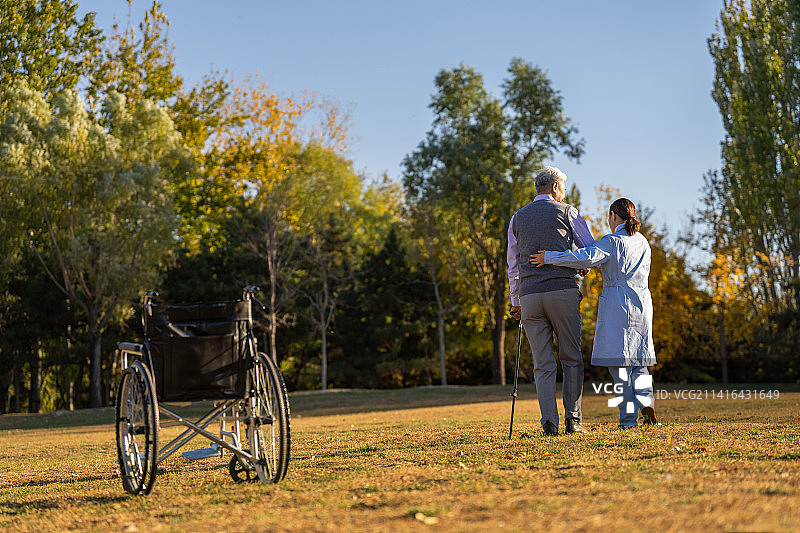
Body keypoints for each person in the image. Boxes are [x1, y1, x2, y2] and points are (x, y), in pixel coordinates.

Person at [530, 197, 657, 429]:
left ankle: (628, 420)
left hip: (618, 304)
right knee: (639, 362)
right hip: (643, 303)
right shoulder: (643, 242)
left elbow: (585, 256)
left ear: (613, 216)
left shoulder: (612, 241)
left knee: (619, 367)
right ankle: (646, 400)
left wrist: (549, 257)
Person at [507, 166, 595, 436]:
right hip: (562, 292)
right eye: (563, 188)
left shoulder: (517, 218)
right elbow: (590, 251)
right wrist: (576, 264)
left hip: (530, 297)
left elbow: (513, 264)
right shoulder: (567, 211)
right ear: (556, 187)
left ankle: (549, 423)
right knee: (570, 358)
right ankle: (573, 420)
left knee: (542, 363)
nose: (564, 193)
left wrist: (515, 300)